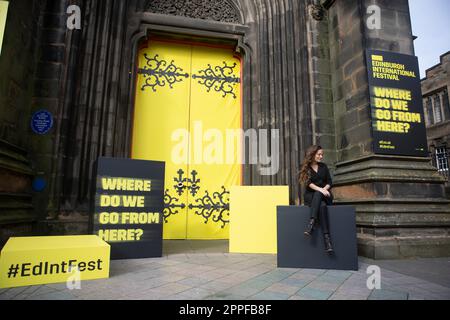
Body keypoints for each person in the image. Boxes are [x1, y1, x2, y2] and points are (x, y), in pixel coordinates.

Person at [299, 145, 334, 254]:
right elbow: (308, 183)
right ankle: (327, 240)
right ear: (313, 154)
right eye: (319, 154)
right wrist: (320, 190)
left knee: (320, 196)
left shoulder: (323, 166)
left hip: (325, 194)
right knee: (322, 206)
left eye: (322, 154)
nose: (321, 156)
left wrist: (324, 190)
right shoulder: (306, 168)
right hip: (311, 195)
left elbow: (329, 181)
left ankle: (311, 223)